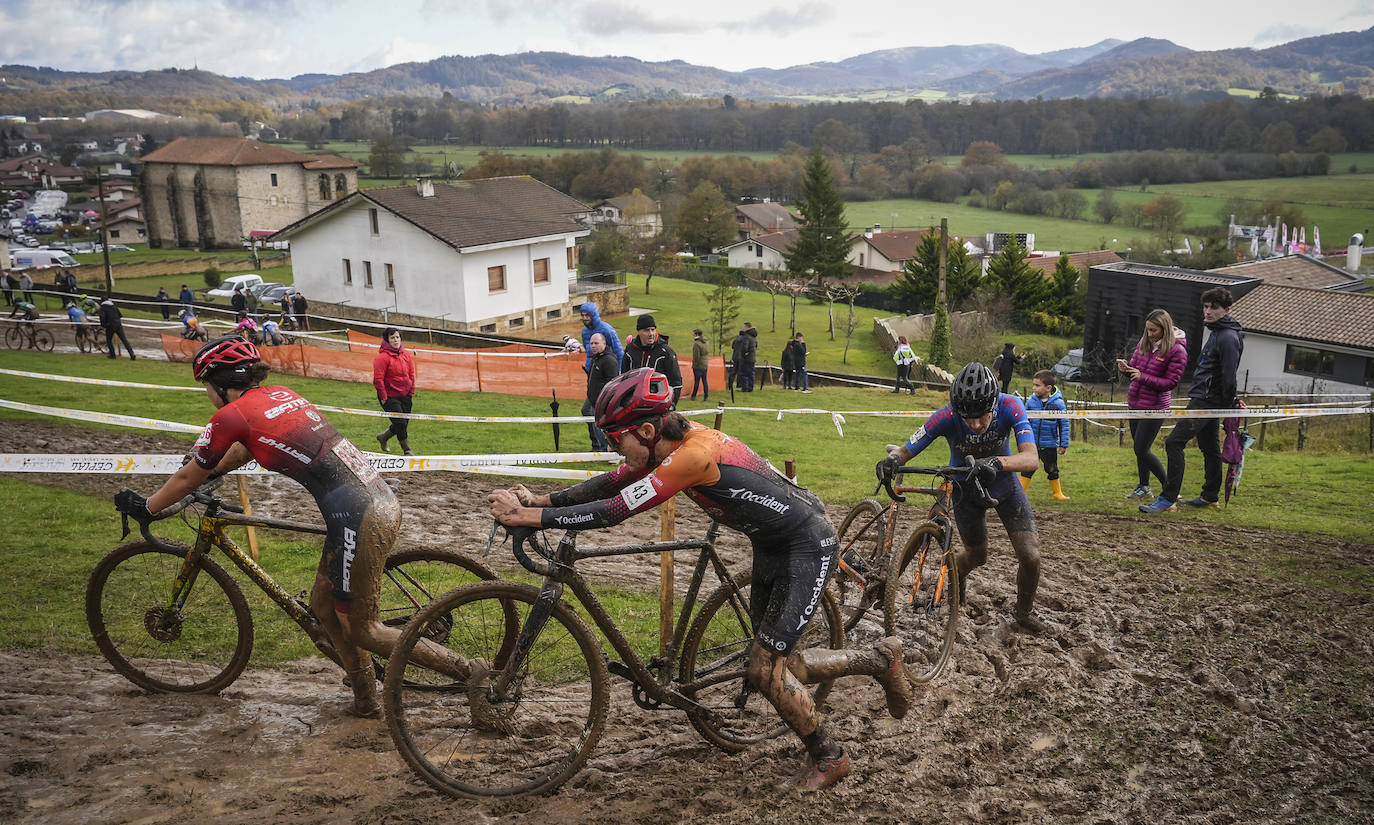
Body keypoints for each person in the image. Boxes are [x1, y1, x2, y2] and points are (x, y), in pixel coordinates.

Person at [488, 368, 913, 790]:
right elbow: (617, 482)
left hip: (806, 545)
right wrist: (541, 500)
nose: (617, 451)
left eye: (618, 440)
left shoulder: (692, 456)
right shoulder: (668, 444)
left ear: (648, 430)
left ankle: (829, 756)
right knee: (777, 667)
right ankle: (880, 659)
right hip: (770, 544)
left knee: (766, 670)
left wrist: (528, 517)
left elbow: (616, 510)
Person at [113, 337, 464, 717]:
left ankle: (468, 670)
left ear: (219, 382)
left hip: (356, 516)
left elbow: (187, 477)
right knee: (323, 609)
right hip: (373, 499)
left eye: (206, 387)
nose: (207, 396)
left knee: (364, 629)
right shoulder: (279, 394)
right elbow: (244, 450)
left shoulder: (231, 415)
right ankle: (365, 699)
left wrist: (147, 507)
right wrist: (214, 470)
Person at [876, 362, 1046, 632]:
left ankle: (1024, 613)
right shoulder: (946, 416)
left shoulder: (1011, 405)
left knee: (1031, 556)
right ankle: (957, 584)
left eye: (982, 417)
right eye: (968, 418)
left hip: (1004, 486)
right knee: (977, 556)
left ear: (993, 406)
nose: (976, 424)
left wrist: (996, 463)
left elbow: (1031, 459)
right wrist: (891, 460)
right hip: (965, 489)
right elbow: (906, 450)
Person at [1142, 287, 1244, 513]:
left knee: (1173, 442)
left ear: (1226, 310)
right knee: (1209, 446)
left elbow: (1229, 375)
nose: (1207, 312)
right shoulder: (1218, 331)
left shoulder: (1227, 336)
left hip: (1207, 400)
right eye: (1206, 307)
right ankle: (1210, 496)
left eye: (1214, 308)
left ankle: (1168, 500)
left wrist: (1231, 402)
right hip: (1205, 397)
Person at [1119, 309, 1187, 500]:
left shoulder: (1177, 351)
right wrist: (1126, 368)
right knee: (1140, 449)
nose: (1149, 334)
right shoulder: (1144, 343)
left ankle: (1170, 489)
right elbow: (1136, 367)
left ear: (1164, 329)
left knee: (1141, 449)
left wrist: (1143, 377)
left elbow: (1171, 383)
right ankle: (1144, 486)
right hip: (1135, 403)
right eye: (1147, 330)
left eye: (1154, 330)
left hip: (1155, 407)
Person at [1019, 370, 1071, 500]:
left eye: (1037, 385)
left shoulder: (1058, 403)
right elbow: (1024, 421)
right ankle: (1019, 494)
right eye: (1033, 385)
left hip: (1050, 444)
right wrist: (1023, 438)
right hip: (1032, 443)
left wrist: (1064, 444)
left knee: (1052, 468)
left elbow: (1064, 424)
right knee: (1027, 468)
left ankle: (1057, 493)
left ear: (1048, 388)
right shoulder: (1031, 402)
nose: (1033, 388)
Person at [372, 327, 417, 456]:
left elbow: (411, 373)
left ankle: (383, 437)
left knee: (403, 422)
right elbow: (378, 379)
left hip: (406, 394)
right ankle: (407, 450)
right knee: (400, 423)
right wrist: (384, 397)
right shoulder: (382, 358)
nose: (395, 340)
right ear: (387, 340)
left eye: (397, 337)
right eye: (392, 337)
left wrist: (411, 391)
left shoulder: (406, 354)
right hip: (390, 396)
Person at [620, 314, 682, 404]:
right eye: (646, 330)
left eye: (653, 330)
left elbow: (676, 382)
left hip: (659, 404)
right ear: (639, 331)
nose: (651, 334)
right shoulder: (630, 349)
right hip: (634, 404)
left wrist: (671, 405)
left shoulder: (666, 352)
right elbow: (624, 378)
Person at [583, 332, 617, 451]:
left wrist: (604, 400)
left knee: (600, 425)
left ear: (604, 343)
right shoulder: (595, 358)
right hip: (592, 399)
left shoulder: (609, 360)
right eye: (591, 343)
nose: (593, 346)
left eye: (596, 343)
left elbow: (612, 383)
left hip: (602, 402)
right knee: (587, 414)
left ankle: (605, 449)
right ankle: (598, 446)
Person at [577, 301, 623, 371]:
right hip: (591, 370)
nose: (584, 318)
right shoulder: (584, 332)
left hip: (606, 370)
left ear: (593, 315)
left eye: (587, 315)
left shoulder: (607, 330)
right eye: (582, 315)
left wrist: (619, 370)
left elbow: (618, 352)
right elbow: (588, 351)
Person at [689, 328, 709, 402]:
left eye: (693, 334)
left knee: (697, 381)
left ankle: (693, 396)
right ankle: (706, 396)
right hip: (705, 364)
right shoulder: (706, 341)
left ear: (696, 334)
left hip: (698, 365)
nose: (692, 335)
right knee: (705, 381)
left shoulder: (697, 344)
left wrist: (695, 364)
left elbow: (696, 356)